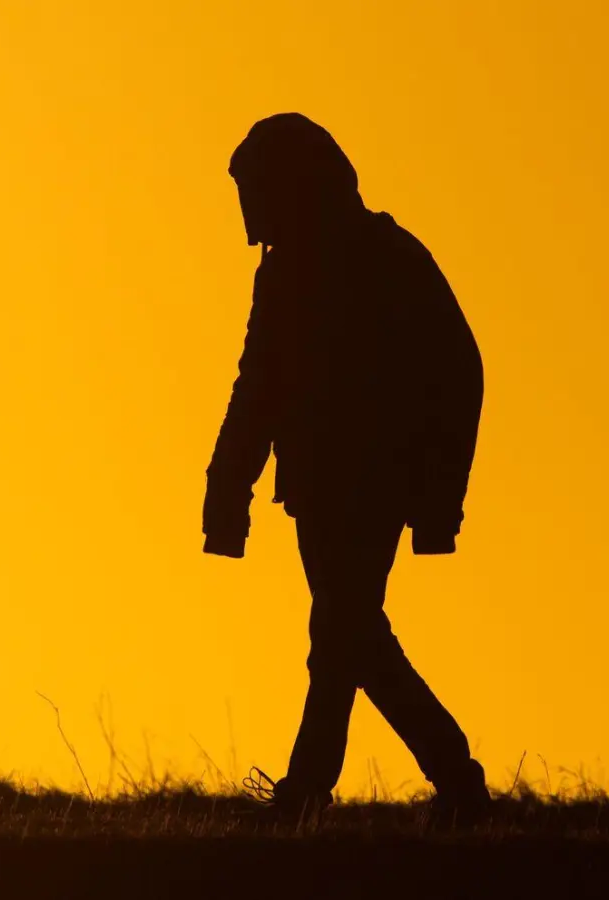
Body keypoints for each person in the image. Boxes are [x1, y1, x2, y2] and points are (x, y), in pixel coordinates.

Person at [202, 112, 490, 822]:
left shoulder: (387, 259)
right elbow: (259, 384)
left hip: (376, 484)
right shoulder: (284, 273)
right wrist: (226, 489)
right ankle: (372, 784)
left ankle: (424, 777)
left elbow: (457, 375)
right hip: (316, 488)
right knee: (345, 633)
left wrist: (437, 498)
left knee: (345, 630)